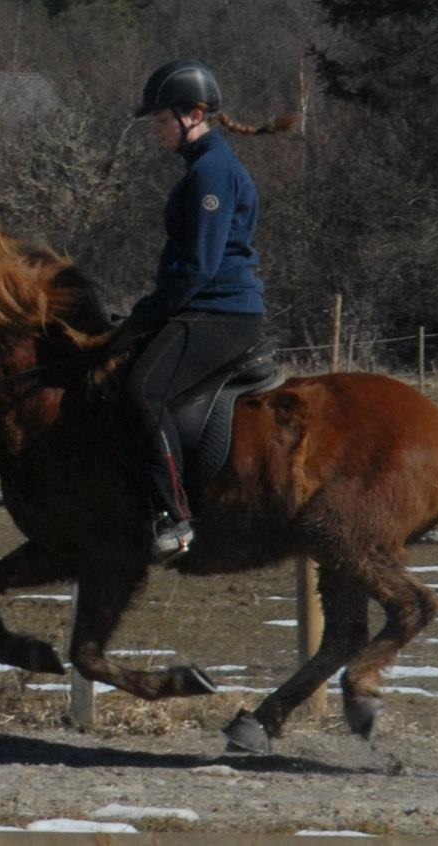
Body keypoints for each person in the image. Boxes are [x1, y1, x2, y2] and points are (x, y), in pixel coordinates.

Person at [118, 59, 294, 559]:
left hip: (219, 314)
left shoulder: (212, 172)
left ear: (192, 115)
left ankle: (174, 517)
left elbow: (200, 265)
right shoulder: (204, 166)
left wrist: (150, 312)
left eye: (161, 120)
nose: (156, 130)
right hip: (205, 309)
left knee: (143, 390)